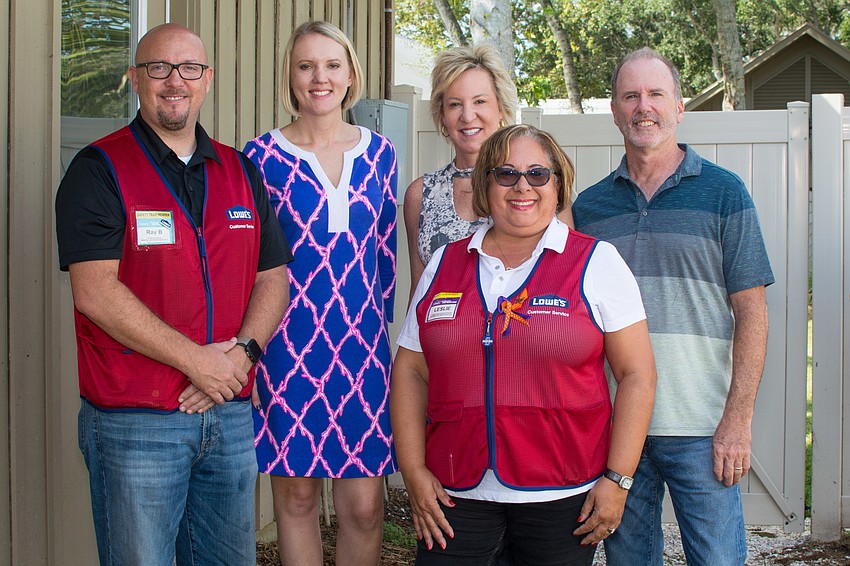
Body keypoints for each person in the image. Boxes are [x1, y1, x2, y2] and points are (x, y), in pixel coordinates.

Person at [55, 23, 291, 566]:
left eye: (188, 69)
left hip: (228, 417)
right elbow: (95, 292)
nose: (174, 81)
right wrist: (197, 363)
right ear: (135, 79)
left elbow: (272, 278)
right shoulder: (99, 169)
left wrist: (241, 357)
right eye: (158, 68)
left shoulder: (240, 170)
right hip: (136, 422)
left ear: (206, 79)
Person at [391, 124, 656, 565]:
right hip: (454, 494)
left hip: (563, 497)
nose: (522, 187)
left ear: (557, 185)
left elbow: (638, 375)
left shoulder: (597, 262)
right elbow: (410, 371)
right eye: (506, 174)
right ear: (485, 185)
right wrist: (414, 471)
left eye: (538, 174)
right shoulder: (445, 263)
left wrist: (618, 479)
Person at [572, 48, 774, 566]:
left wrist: (738, 419)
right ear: (614, 111)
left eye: (656, 94)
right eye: (631, 96)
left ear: (679, 107)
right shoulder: (589, 208)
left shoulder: (725, 193)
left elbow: (752, 312)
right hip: (618, 429)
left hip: (702, 428)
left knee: (717, 560)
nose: (644, 107)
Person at [243, 21, 397, 566]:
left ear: (350, 73)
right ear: (291, 75)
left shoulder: (381, 155)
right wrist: (252, 357)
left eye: (332, 65)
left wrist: (383, 345)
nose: (320, 77)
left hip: (362, 353)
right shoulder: (259, 157)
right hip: (288, 350)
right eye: (306, 65)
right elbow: (251, 267)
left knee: (362, 507)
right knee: (298, 497)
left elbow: (385, 263)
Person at [403, 45, 575, 297]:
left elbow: (568, 276)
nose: (468, 115)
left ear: (501, 107)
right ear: (442, 114)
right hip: (446, 335)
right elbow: (419, 293)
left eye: (480, 101)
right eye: (454, 104)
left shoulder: (539, 184)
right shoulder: (422, 195)